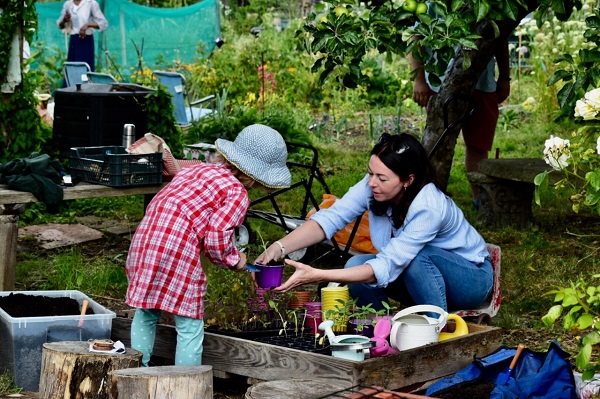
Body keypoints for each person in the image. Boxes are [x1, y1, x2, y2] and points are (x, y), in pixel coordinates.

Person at [256, 133, 493, 314]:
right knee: (354, 265)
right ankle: (384, 327)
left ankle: (432, 330)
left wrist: (317, 274)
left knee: (417, 257)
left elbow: (389, 264)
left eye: (381, 178)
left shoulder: (428, 206)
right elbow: (329, 219)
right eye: (370, 173)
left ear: (408, 180)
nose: (371, 182)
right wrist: (278, 247)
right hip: (419, 276)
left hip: (469, 280)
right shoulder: (374, 185)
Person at [125, 124, 291, 367]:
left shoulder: (196, 171)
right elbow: (216, 236)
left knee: (146, 311)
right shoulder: (236, 192)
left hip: (146, 240)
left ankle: (135, 372)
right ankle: (186, 383)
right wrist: (235, 259)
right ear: (256, 177)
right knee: (189, 323)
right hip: (176, 250)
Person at [411, 39, 511, 207]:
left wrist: (504, 76)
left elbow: (499, 36)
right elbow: (415, 37)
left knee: (479, 145)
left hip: (482, 81)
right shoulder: (430, 11)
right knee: (438, 142)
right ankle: (431, 200)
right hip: (440, 83)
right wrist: (418, 79)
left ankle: (480, 199)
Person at [57, 0, 108, 72]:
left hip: (86, 41)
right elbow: (60, 25)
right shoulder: (68, 4)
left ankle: (86, 83)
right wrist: (64, 20)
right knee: (72, 69)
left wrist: (88, 25)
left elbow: (103, 23)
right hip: (74, 41)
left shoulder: (91, 3)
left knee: (85, 69)